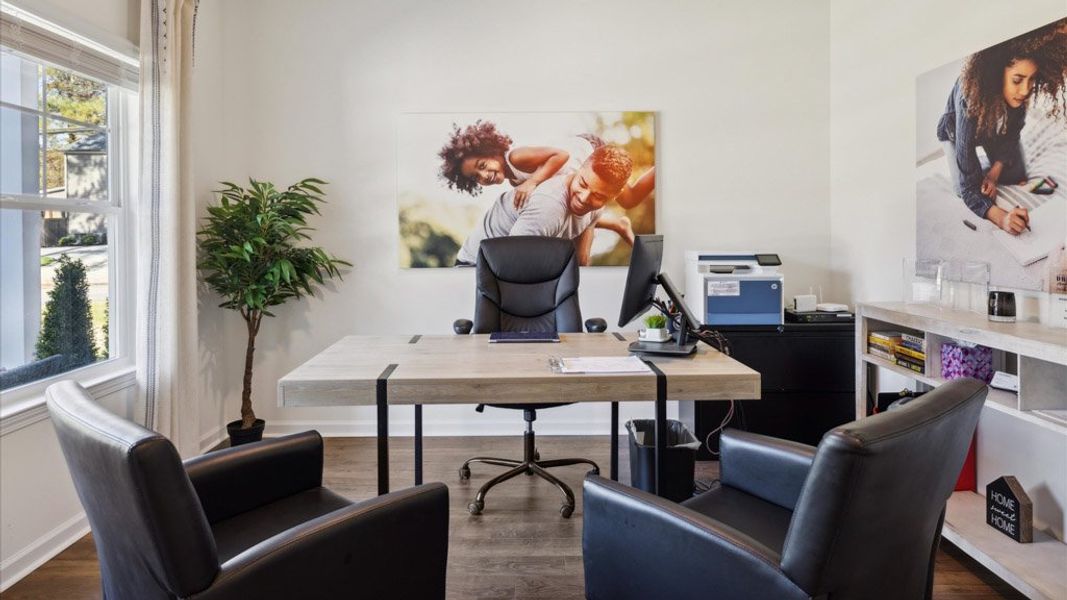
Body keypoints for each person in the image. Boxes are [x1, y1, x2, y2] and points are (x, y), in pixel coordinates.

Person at [937, 21, 1067, 235]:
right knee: (964, 189)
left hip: (993, 130)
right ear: (998, 75)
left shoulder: (1020, 95)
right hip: (956, 132)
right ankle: (976, 167)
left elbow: (1012, 135)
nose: (1025, 90)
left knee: (1017, 175)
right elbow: (970, 189)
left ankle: (987, 168)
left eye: (1031, 80)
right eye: (1017, 80)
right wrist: (1002, 218)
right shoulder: (969, 96)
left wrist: (994, 174)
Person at [438, 121, 654, 243]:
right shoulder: (515, 182)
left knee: (629, 199)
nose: (483, 175)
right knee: (584, 203)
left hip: (587, 152)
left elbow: (560, 156)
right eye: (476, 177)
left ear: (492, 151)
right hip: (579, 180)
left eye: (482, 165)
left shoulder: (516, 157)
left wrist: (532, 182)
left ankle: (661, 167)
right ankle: (617, 223)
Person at [454, 144, 633, 266]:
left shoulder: (595, 208)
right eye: (583, 184)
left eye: (598, 196)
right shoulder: (549, 206)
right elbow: (514, 261)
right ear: (579, 169)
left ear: (613, 197)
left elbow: (582, 255)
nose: (585, 198)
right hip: (475, 265)